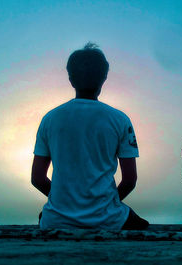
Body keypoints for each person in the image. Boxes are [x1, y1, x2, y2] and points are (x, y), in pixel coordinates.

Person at [31, 42, 149, 230]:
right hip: (108, 220)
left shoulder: (50, 119)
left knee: (46, 216)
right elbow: (129, 181)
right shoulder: (120, 120)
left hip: (56, 219)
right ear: (104, 78)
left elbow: (37, 178)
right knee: (142, 225)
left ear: (70, 79)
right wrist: (101, 206)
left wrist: (66, 203)